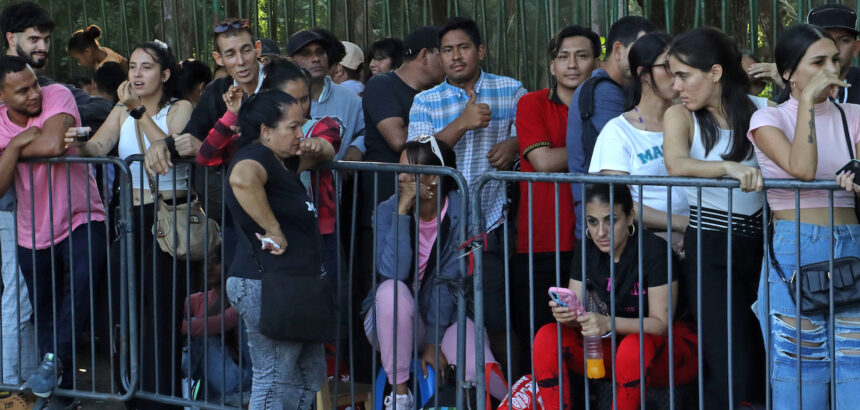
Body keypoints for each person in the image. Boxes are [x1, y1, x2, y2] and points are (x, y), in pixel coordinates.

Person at [64, 40, 193, 410]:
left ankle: (163, 399)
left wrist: (138, 113)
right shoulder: (122, 109)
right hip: (131, 220)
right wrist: (75, 142)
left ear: (165, 74)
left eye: (146, 67)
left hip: (169, 219)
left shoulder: (179, 108)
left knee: (163, 316)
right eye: (132, 66)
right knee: (128, 313)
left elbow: (169, 148)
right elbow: (98, 148)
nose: (136, 74)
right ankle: (135, 395)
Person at [748, 23, 860, 408]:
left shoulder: (855, 115)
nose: (833, 67)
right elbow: (803, 169)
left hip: (851, 244)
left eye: (835, 58)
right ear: (788, 73)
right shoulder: (769, 120)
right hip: (798, 245)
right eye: (819, 61)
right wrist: (809, 105)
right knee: (800, 369)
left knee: (855, 368)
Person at [662, 27, 768, 409]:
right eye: (673, 75)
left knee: (762, 347)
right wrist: (729, 169)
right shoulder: (680, 116)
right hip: (709, 245)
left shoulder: (760, 111)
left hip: (763, 245)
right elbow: (676, 164)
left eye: (683, 75)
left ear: (716, 73)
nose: (676, 86)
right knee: (727, 353)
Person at [407, 16, 525, 356]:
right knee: (440, 316)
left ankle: (509, 399)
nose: (456, 56)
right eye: (448, 50)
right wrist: (462, 123)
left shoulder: (511, 90)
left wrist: (514, 143)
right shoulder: (426, 101)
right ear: (438, 56)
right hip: (440, 226)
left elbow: (531, 138)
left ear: (481, 50)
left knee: (497, 318)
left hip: (491, 224)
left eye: (463, 47)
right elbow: (416, 157)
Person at [363, 138, 505, 410]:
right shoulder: (387, 210)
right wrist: (403, 212)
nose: (400, 177)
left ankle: (514, 400)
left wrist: (434, 342)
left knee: (473, 359)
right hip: (390, 320)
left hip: (446, 316)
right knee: (392, 291)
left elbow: (449, 283)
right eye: (399, 169)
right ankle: (400, 395)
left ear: (435, 179)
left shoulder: (463, 213)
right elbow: (393, 272)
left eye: (409, 170)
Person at [531, 183, 697, 410]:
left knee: (632, 347)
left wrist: (608, 323)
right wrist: (567, 314)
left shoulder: (654, 250)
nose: (600, 232)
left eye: (611, 220)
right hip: (614, 347)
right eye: (593, 221)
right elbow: (578, 313)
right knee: (547, 336)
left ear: (630, 217)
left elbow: (661, 325)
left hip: (668, 350)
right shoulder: (587, 246)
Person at [0, 55, 107, 405]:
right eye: (22, 91)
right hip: (32, 229)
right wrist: (15, 144)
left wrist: (10, 152)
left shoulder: (57, 93)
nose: (34, 94)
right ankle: (59, 392)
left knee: (83, 279)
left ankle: (51, 362)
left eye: (33, 84)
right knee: (44, 309)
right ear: (2, 96)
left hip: (80, 214)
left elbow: (53, 143)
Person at [225, 89, 334, 409]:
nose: (301, 133)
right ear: (266, 131)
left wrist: (317, 145)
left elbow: (324, 153)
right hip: (267, 284)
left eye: (302, 126)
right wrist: (273, 229)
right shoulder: (255, 157)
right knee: (273, 379)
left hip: (293, 285)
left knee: (310, 375)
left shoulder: (281, 160)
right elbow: (242, 180)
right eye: (293, 127)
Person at [512, 24, 599, 362]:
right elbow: (544, 161)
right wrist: (596, 149)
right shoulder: (532, 104)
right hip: (541, 241)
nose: (572, 64)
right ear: (552, 65)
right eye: (563, 57)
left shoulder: (607, 106)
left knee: (590, 338)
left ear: (597, 62)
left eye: (582, 56)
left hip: (597, 239)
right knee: (539, 335)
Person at [358, 26, 444, 293]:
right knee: (385, 282)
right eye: (447, 52)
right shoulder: (382, 84)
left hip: (426, 204)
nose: (452, 60)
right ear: (425, 55)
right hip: (385, 197)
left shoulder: (437, 93)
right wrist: (461, 124)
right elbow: (398, 140)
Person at [589, 32, 689, 253]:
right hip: (647, 241)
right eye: (667, 66)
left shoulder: (692, 123)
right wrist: (684, 224)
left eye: (681, 66)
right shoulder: (618, 131)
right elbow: (618, 202)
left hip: (698, 238)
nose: (677, 74)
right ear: (643, 73)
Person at [566, 16, 657, 241]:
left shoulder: (614, 90)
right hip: (604, 230)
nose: (648, 58)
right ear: (618, 50)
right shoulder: (604, 92)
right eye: (642, 49)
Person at [181, 250, 252, 407]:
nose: (210, 268)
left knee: (203, 331)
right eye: (206, 263)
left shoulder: (239, 297)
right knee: (197, 330)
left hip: (238, 380)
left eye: (216, 262)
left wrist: (179, 327)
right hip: (205, 382)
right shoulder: (194, 300)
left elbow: (224, 321)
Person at [287, 29, 365, 161]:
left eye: (320, 52)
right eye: (306, 54)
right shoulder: (279, 99)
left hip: (333, 181)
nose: (316, 59)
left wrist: (356, 148)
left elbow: (367, 132)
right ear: (290, 61)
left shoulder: (350, 100)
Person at [808, 3, 860, 104]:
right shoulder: (796, 87)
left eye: (844, 40)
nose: (834, 49)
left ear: (856, 48)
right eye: (824, 39)